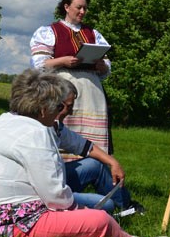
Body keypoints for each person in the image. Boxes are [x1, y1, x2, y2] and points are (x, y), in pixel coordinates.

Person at [0, 69, 170, 237]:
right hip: (7, 226)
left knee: (95, 212)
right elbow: (55, 198)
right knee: (99, 220)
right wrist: (82, 214)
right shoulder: (34, 133)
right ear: (44, 109)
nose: (62, 113)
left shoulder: (2, 122)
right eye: (59, 107)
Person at [30, 0, 112, 160]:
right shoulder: (50, 31)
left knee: (92, 132)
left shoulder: (93, 34)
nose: (83, 12)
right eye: (79, 7)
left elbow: (107, 68)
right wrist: (62, 61)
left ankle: (94, 166)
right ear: (66, 7)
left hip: (92, 93)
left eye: (85, 9)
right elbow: (39, 64)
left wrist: (101, 65)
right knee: (63, 126)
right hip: (62, 88)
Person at [55, 79, 144, 214]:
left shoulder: (56, 127)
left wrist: (113, 162)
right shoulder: (39, 130)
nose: (71, 112)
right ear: (57, 105)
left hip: (57, 179)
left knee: (96, 164)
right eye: (69, 106)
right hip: (46, 193)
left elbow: (84, 145)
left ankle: (125, 206)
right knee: (106, 205)